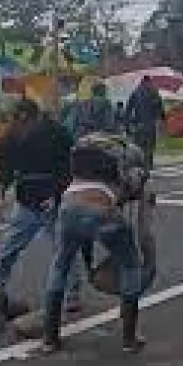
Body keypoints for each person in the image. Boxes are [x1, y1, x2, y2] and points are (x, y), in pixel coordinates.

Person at [40, 135, 148, 354]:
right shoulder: (127, 168)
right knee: (131, 265)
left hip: (68, 208)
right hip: (102, 211)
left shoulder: (80, 169)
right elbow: (133, 194)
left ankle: (49, 338)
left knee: (61, 264)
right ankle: (129, 339)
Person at [0, 99, 84, 312]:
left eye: (21, 121)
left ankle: (73, 292)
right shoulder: (12, 136)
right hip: (26, 200)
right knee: (9, 247)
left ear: (31, 118)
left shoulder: (57, 133)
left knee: (63, 248)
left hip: (53, 200)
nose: (18, 125)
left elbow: (70, 166)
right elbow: (3, 166)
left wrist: (58, 194)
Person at [126, 76, 165, 169]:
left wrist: (129, 123)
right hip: (150, 124)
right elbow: (159, 108)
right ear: (147, 82)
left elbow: (128, 109)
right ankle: (148, 164)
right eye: (150, 82)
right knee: (149, 145)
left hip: (138, 124)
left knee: (140, 144)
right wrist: (161, 118)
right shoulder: (154, 92)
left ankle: (142, 163)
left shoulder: (135, 93)